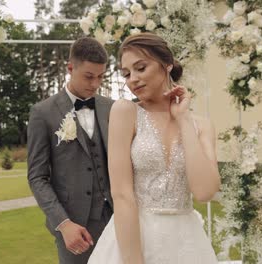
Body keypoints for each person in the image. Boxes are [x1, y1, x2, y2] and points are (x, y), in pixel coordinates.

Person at [88, 32, 220, 264]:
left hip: (187, 244)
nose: (133, 79)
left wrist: (184, 119)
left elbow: (204, 192)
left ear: (166, 64)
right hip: (134, 240)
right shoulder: (125, 112)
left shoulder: (202, 125)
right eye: (127, 74)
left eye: (141, 68)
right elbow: (121, 195)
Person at [27, 37, 114, 264]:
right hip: (75, 228)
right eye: (88, 76)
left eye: (100, 77)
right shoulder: (42, 113)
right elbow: (37, 177)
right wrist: (63, 224)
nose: (95, 84)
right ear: (70, 68)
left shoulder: (112, 108)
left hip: (117, 221)